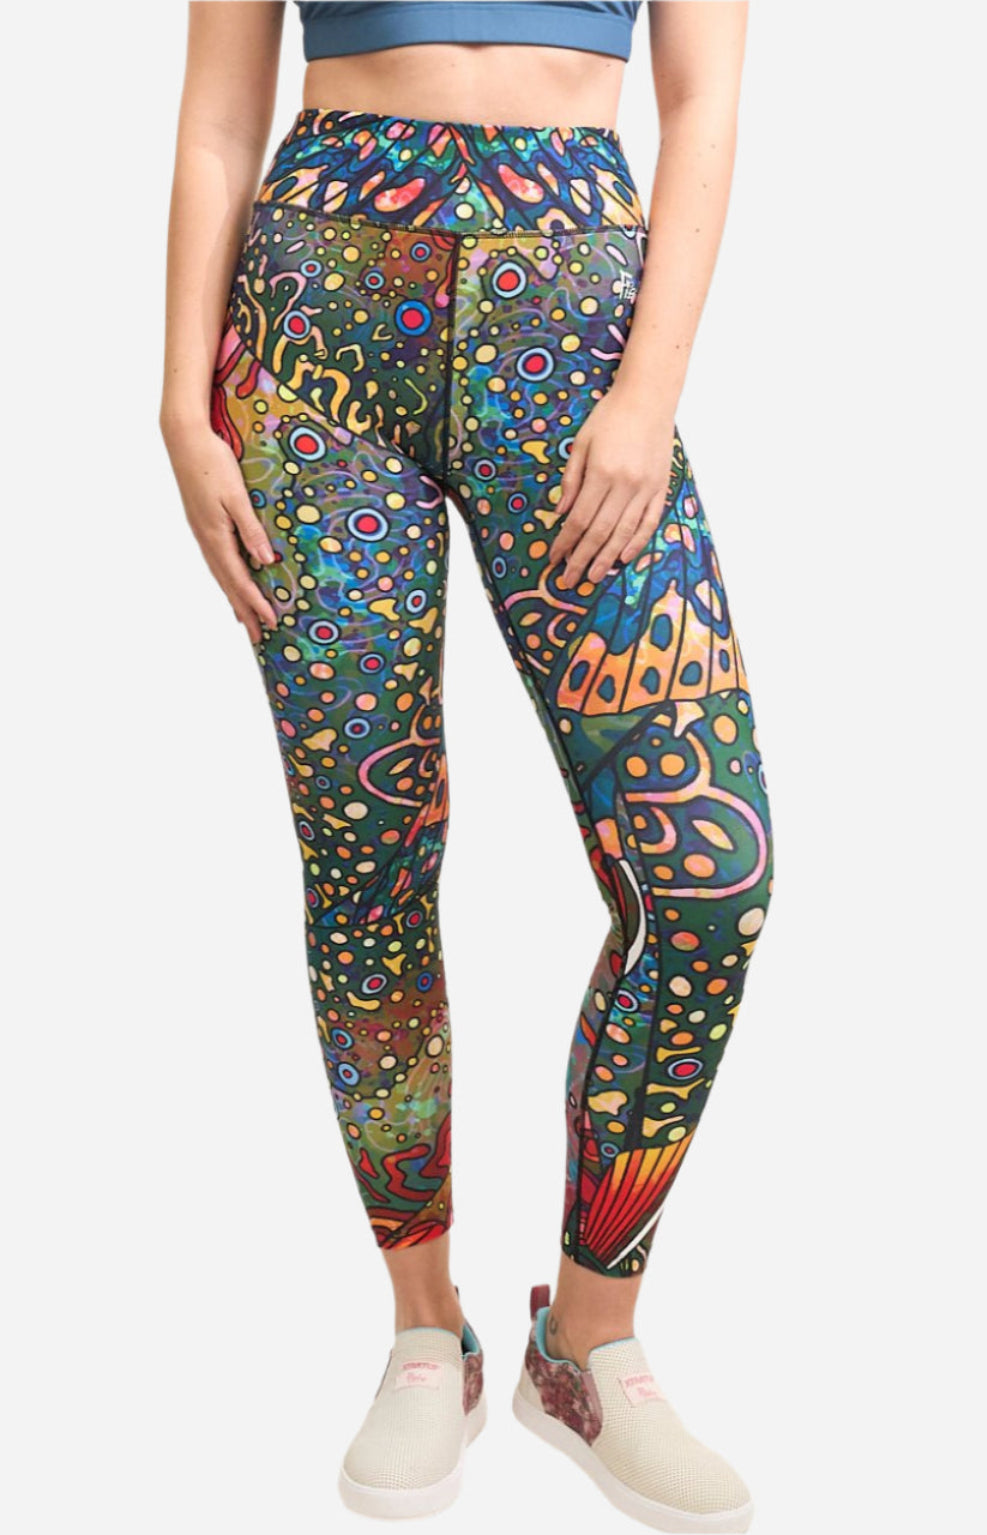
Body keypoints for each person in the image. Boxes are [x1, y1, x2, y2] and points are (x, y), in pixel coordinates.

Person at [160, 2, 773, 1528]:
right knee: (367, 858)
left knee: (709, 878)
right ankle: (425, 1330)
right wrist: (180, 402)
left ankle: (590, 1339)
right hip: (313, 334)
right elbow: (222, 111)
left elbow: (702, 100)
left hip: (573, 325)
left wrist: (648, 396)